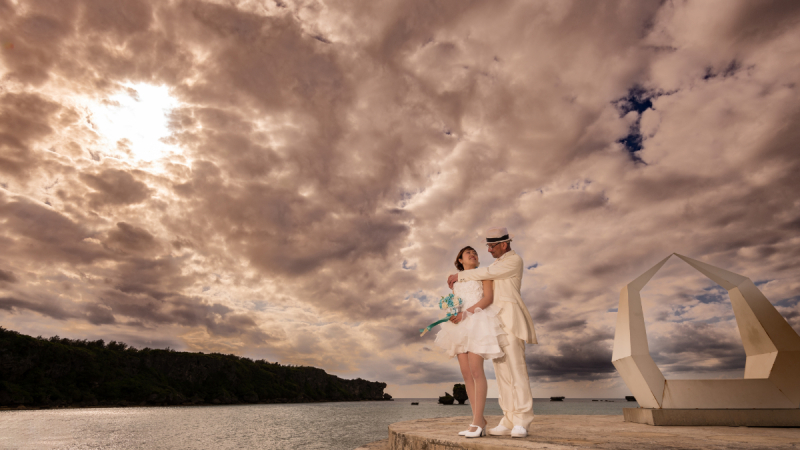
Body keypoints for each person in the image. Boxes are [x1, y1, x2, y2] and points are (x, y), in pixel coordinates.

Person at [447, 227, 537, 439]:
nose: (487, 250)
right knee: (502, 374)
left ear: (504, 244)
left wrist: (459, 274)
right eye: (487, 246)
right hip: (493, 324)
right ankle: (508, 418)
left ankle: (522, 420)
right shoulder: (496, 264)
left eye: (491, 246)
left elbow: (487, 274)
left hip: (510, 321)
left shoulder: (513, 261)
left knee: (517, 371)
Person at [433, 246, 507, 439]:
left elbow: (488, 298)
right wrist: (453, 314)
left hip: (477, 321)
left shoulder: (484, 274)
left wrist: (466, 313)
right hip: (460, 326)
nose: (473, 255)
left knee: (476, 370)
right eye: (468, 253)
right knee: (466, 374)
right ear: (460, 259)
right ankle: (478, 421)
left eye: (475, 253)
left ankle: (476, 422)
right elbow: (456, 301)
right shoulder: (455, 281)